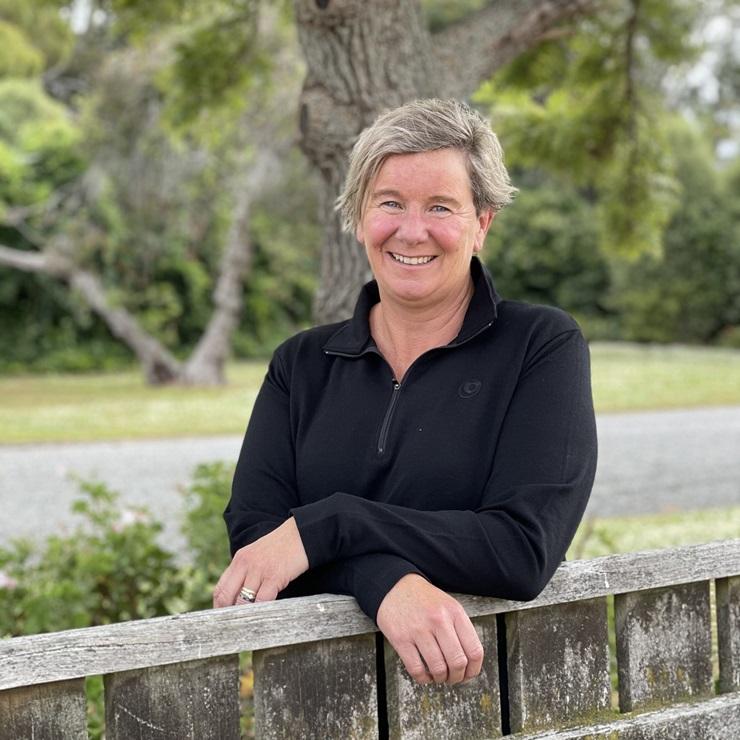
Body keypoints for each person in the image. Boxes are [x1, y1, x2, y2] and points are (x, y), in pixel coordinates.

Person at [213, 98, 597, 688]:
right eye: (390, 203)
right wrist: (382, 583)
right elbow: (259, 550)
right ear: (360, 218)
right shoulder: (301, 365)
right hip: (311, 704)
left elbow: (521, 549)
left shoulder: (540, 347)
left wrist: (328, 527)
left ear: (482, 224)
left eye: (440, 207)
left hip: (485, 702)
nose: (411, 231)